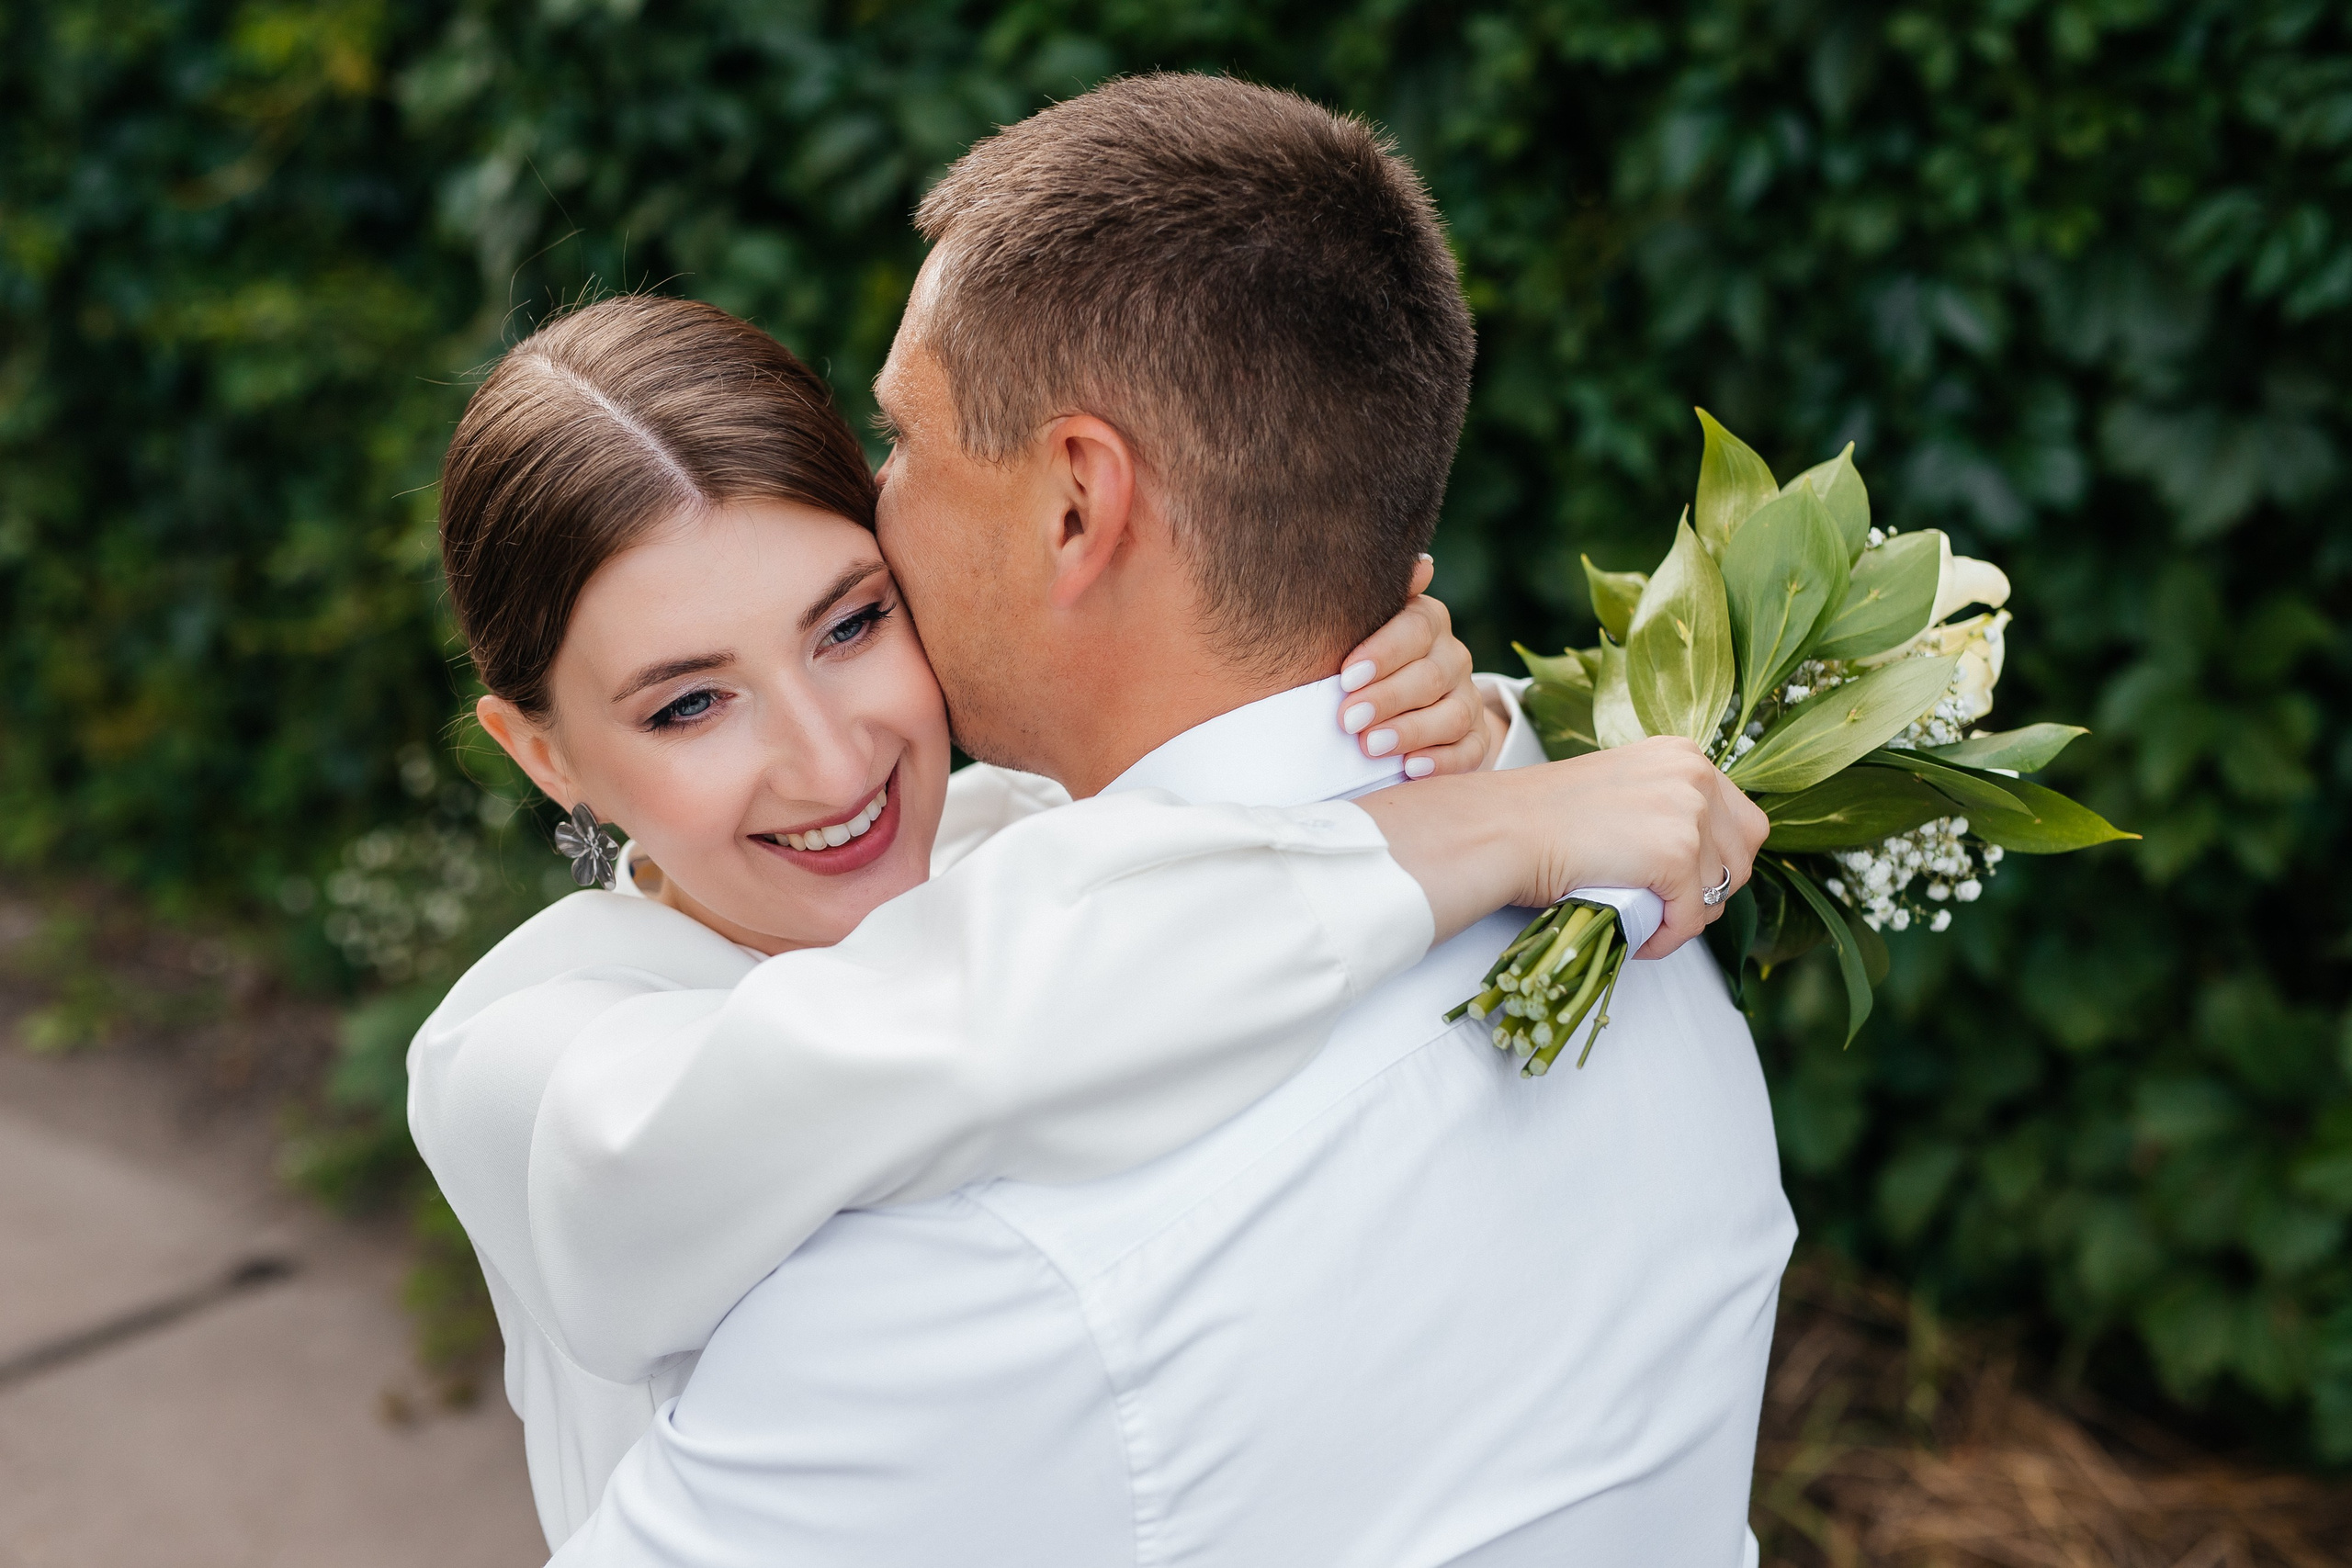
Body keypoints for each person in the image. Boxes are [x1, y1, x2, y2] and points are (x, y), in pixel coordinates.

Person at [560, 74, 1793, 1568]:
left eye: (907, 443)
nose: (876, 509)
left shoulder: (973, 1269)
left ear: (1078, 502)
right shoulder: (1619, 857)